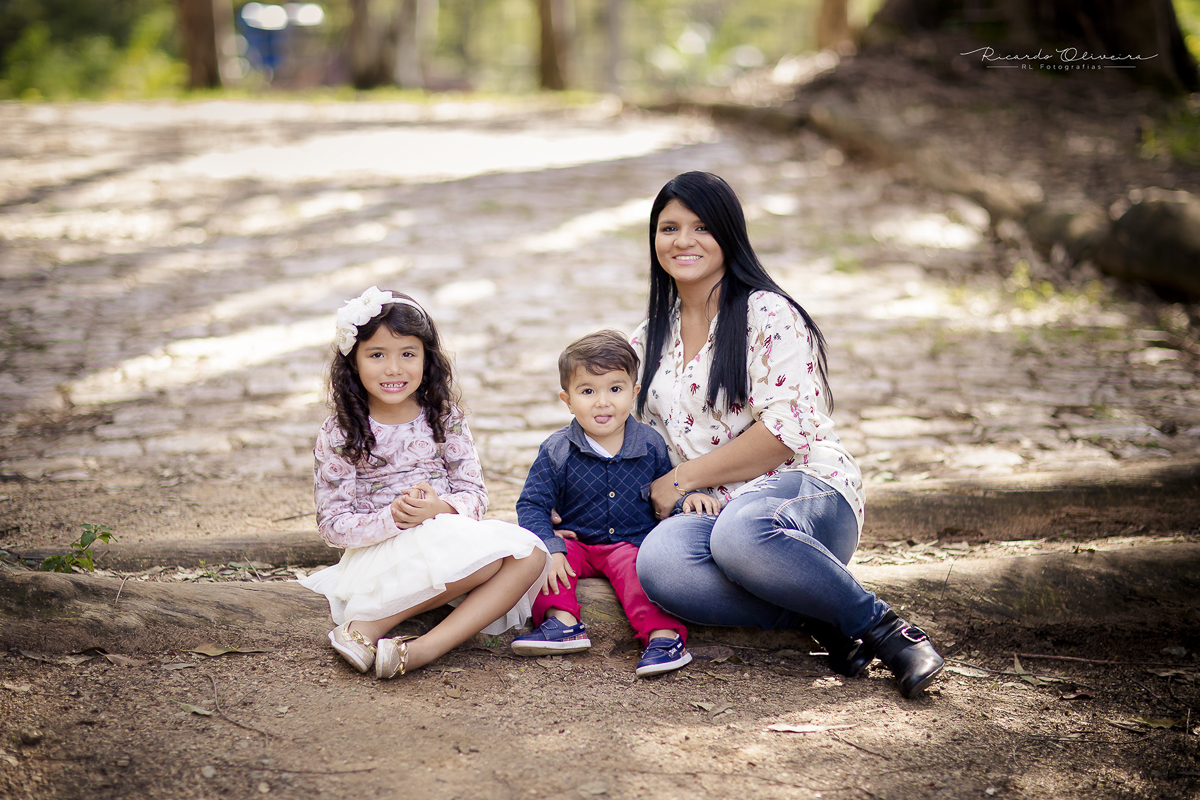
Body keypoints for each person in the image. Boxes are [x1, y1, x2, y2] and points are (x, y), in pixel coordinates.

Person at [631, 172, 944, 698]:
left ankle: (890, 632)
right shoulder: (648, 337)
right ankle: (825, 617)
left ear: (730, 234)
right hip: (714, 508)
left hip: (804, 491)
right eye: (669, 228)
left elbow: (783, 435)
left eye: (701, 226)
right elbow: (634, 440)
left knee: (741, 535)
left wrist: (682, 478)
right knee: (660, 566)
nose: (683, 240)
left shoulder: (766, 313)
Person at [299, 286, 551, 680]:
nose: (394, 368)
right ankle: (368, 627)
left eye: (408, 354)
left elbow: (474, 495)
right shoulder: (341, 431)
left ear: (426, 359)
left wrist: (441, 508)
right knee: (497, 557)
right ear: (353, 362)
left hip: (447, 537)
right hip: (381, 554)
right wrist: (395, 519)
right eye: (377, 354)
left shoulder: (444, 417)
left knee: (531, 555)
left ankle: (422, 650)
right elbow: (332, 525)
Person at [511, 330, 714, 676]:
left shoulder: (649, 444)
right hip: (579, 541)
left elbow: (663, 498)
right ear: (567, 399)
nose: (603, 402)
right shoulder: (556, 450)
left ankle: (663, 638)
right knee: (545, 563)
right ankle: (562, 623)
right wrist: (552, 545)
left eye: (615, 389)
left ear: (634, 393)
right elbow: (532, 504)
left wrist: (688, 499)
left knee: (641, 573)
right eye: (588, 391)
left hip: (629, 543)